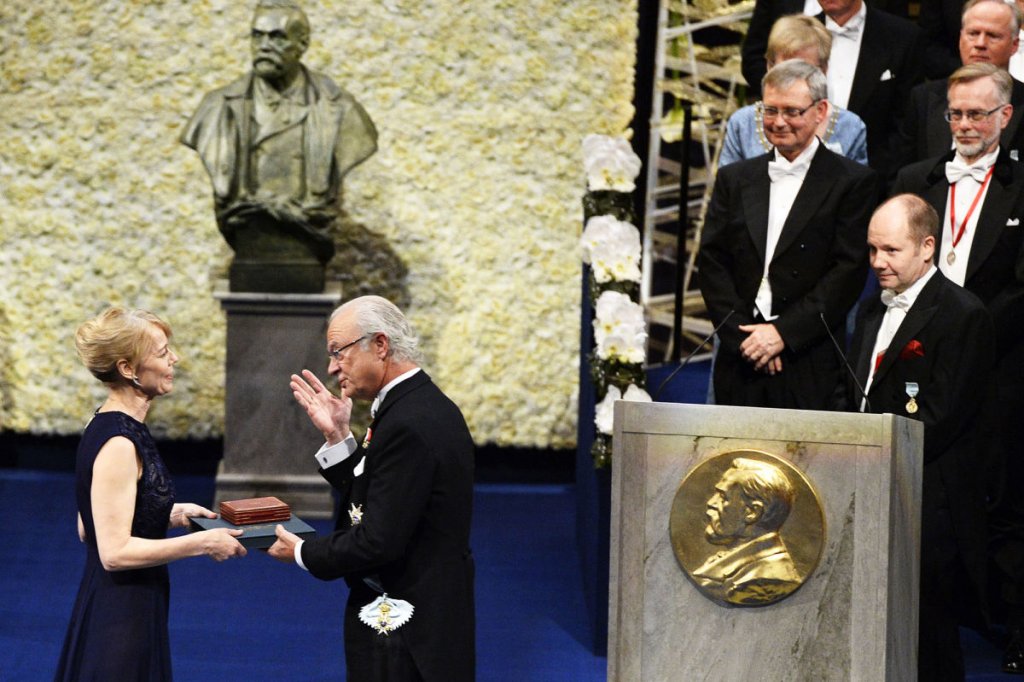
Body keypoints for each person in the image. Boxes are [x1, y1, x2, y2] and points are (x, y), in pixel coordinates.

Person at [267, 295, 475, 682]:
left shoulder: (409, 422)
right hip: (419, 614)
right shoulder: (414, 405)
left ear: (380, 345)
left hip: (406, 629)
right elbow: (383, 496)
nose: (332, 368)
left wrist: (302, 552)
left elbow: (378, 540)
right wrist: (338, 437)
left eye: (338, 352)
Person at [840, 195, 995, 681]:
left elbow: (943, 417)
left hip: (926, 500)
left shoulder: (963, 314)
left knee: (928, 637)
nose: (877, 262)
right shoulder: (871, 307)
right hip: (868, 485)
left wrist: (874, 451)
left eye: (891, 250)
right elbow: (856, 390)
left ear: (927, 247)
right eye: (872, 250)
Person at [54, 308, 247, 681]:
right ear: (128, 369)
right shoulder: (120, 443)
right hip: (121, 614)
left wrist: (168, 513)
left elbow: (88, 524)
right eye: (162, 352)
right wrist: (203, 544)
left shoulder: (108, 424)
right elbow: (113, 553)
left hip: (127, 601)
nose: (174, 358)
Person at [698, 59, 877, 410]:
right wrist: (745, 339)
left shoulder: (852, 182)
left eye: (792, 111)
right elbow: (712, 261)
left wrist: (782, 334)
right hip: (741, 354)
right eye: (770, 110)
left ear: (820, 111)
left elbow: (847, 272)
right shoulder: (735, 179)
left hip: (808, 356)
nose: (778, 122)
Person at [180, 0, 377, 288]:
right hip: (249, 249)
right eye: (257, 36)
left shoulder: (340, 110)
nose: (264, 46)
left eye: (277, 37)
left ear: (302, 44)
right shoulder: (217, 107)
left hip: (306, 256)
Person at [741, 0, 924, 181]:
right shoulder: (798, 33)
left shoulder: (903, 36)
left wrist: (873, 182)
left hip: (874, 179)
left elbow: (906, 124)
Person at [720, 14, 868, 167]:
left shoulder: (851, 127)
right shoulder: (743, 124)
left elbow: (858, 182)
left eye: (804, 69)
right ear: (769, 66)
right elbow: (727, 181)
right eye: (786, 68)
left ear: (824, 70)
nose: (794, 79)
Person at [898, 0, 1024, 167]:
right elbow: (902, 173)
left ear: (1014, 45)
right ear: (960, 37)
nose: (980, 44)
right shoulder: (923, 99)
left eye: (992, 36)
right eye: (973, 33)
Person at [692, 458, 801, 606]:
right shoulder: (738, 563)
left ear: (752, 512)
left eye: (723, 497)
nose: (711, 502)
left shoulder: (766, 580)